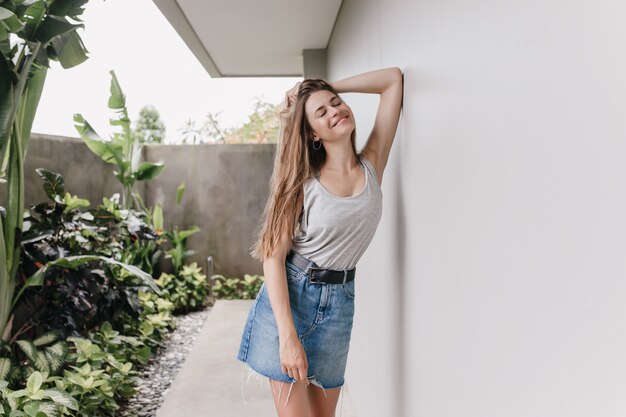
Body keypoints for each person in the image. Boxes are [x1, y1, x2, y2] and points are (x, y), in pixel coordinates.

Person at [237, 67, 403, 417]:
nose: (335, 111)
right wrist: (288, 336)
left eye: (336, 103)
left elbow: (392, 81)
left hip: (340, 303)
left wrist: (325, 86)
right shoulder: (302, 183)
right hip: (289, 301)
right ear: (312, 133)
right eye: (321, 112)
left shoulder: (372, 163)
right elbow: (272, 256)